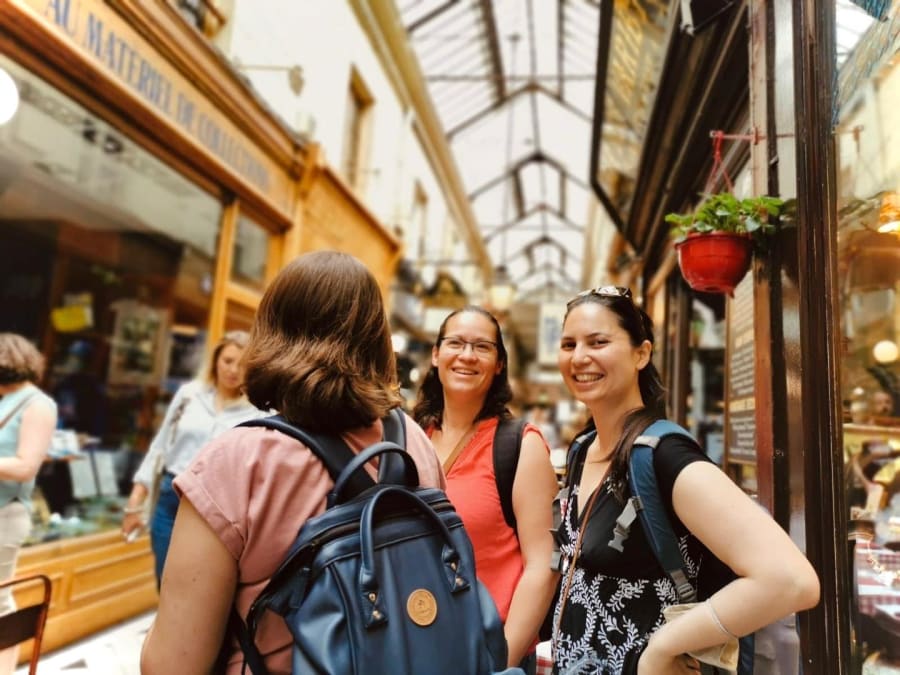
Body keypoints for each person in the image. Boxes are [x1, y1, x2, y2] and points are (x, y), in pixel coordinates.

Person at [140, 251, 445, 674]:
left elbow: (173, 664)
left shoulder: (238, 461)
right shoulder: (414, 443)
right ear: (376, 339)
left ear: (272, 331)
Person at [552, 286, 820, 675]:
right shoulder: (582, 449)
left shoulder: (661, 455)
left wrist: (663, 647)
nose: (579, 357)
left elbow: (791, 580)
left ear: (641, 354)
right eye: (568, 344)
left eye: (598, 342)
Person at [413, 305, 559, 671]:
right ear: (436, 354)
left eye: (482, 347)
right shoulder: (410, 438)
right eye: (455, 343)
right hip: (410, 646)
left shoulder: (520, 445)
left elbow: (543, 566)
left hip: (485, 652)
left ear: (499, 364)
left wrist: (499, 662)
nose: (467, 355)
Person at [122, 330, 261, 586]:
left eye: (242, 365)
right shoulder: (189, 395)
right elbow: (160, 447)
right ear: (215, 360)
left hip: (218, 505)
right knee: (165, 578)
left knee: (197, 585)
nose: (233, 370)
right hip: (171, 496)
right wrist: (134, 503)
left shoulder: (258, 411)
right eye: (227, 361)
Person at [0, 333, 57, 674]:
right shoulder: (6, 398)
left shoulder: (37, 404)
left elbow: (26, 465)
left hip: (6, 514)